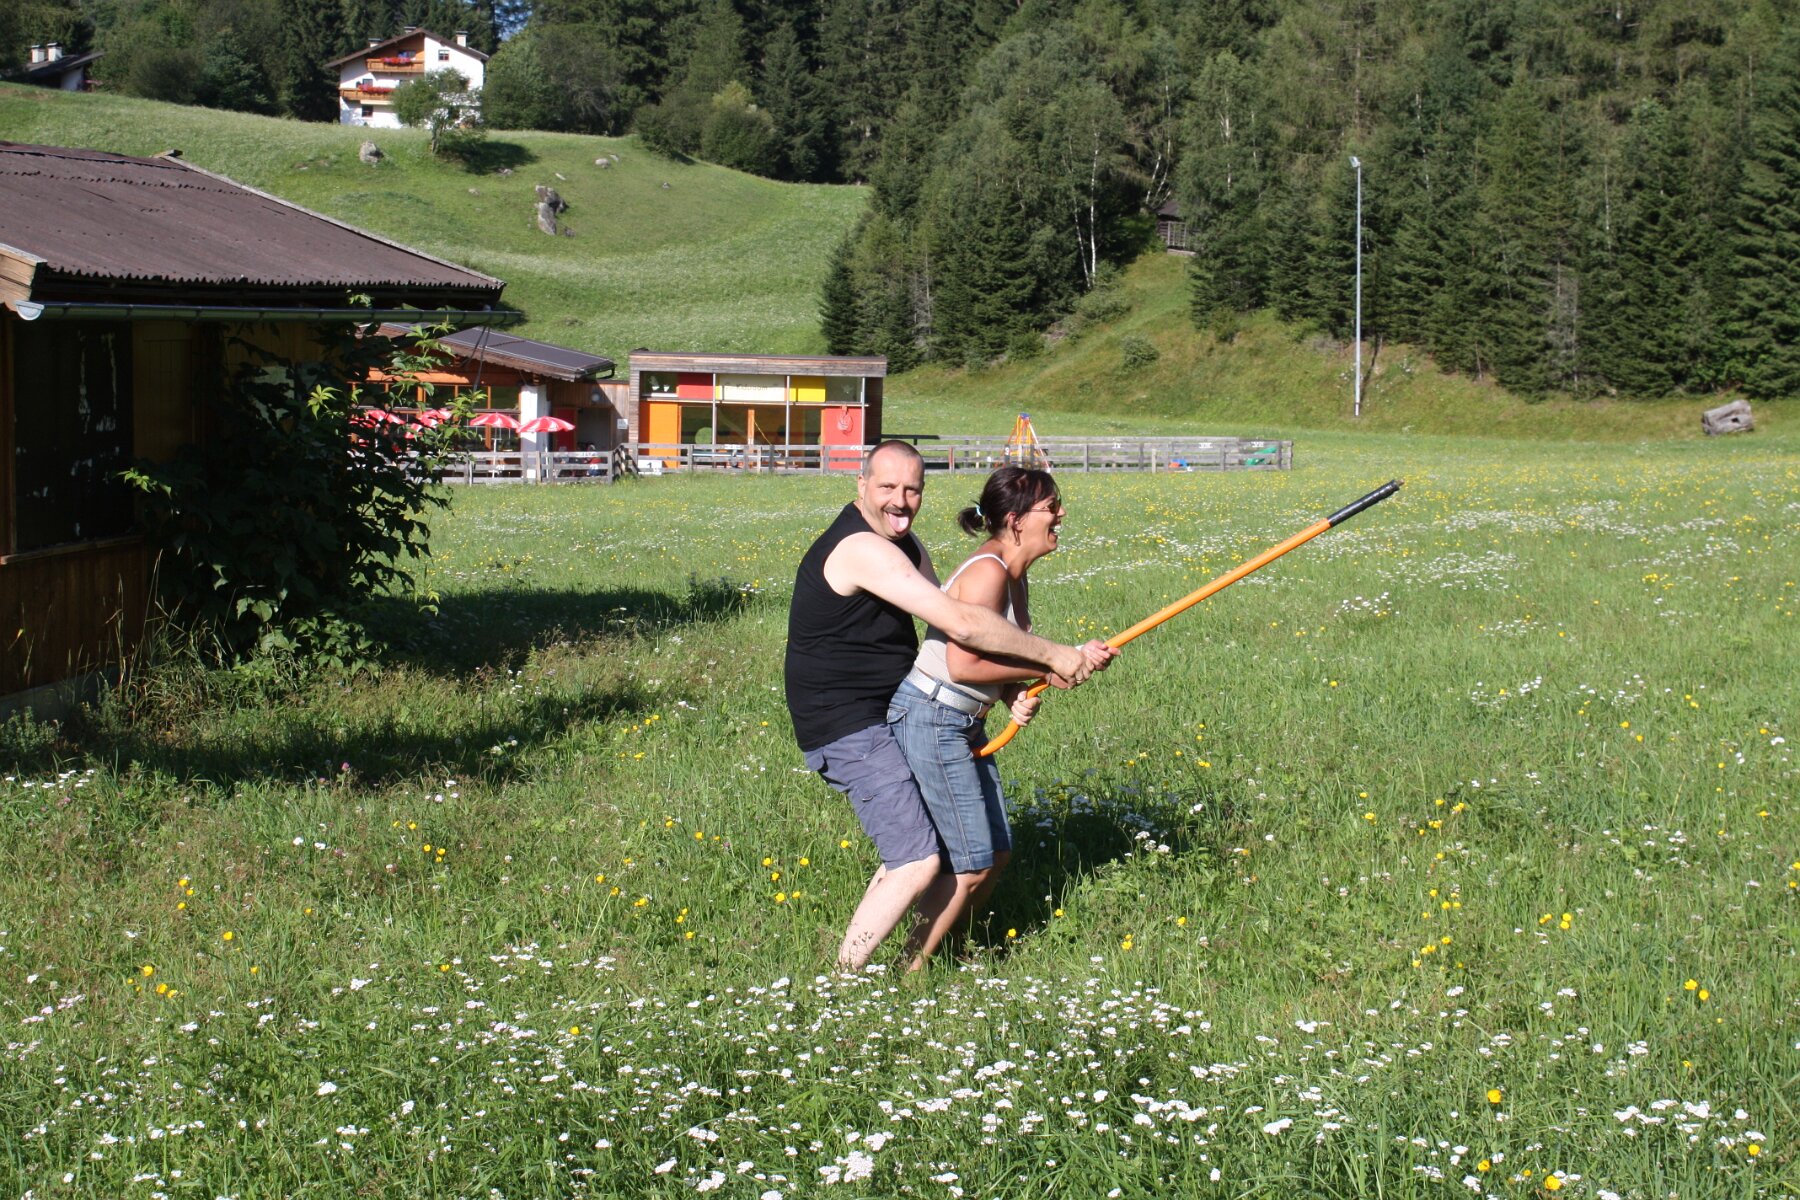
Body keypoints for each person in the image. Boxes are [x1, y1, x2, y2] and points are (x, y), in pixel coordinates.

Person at [786, 441, 1115, 971]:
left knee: (941, 849)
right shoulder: (861, 547)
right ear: (861, 486)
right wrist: (1053, 655)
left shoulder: (904, 543)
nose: (901, 500)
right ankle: (842, 981)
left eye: (912, 489)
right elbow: (961, 626)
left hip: (890, 706)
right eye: (887, 487)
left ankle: (921, 960)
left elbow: (950, 632)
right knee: (919, 858)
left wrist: (1012, 687)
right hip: (845, 721)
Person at [889, 466, 1083, 968]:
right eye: (1051, 507)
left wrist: (1016, 690)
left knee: (995, 856)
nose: (1061, 514)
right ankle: (908, 970)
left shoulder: (1014, 575)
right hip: (932, 716)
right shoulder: (988, 572)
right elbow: (964, 665)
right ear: (1017, 520)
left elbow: (996, 657)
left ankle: (949, 955)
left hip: (960, 720)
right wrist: (1049, 664)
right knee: (971, 863)